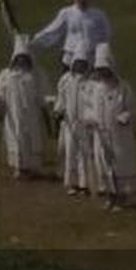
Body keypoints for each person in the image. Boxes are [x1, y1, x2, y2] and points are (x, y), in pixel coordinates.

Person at [0, 35, 52, 179]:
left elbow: (42, 94)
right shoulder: (6, 75)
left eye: (24, 58)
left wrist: (49, 101)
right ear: (15, 59)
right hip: (14, 113)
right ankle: (19, 168)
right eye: (19, 58)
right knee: (16, 138)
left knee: (32, 139)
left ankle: (33, 168)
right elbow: (1, 93)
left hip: (31, 114)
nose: (21, 61)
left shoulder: (36, 75)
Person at [83, 43, 136, 211]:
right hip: (101, 134)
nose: (102, 72)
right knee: (104, 165)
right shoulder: (95, 89)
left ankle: (121, 197)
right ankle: (110, 196)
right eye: (99, 69)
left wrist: (124, 117)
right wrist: (91, 119)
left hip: (119, 134)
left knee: (120, 165)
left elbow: (131, 109)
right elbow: (88, 108)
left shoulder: (123, 88)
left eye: (104, 69)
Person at [30, 0, 112, 68]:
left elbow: (105, 35)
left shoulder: (99, 15)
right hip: (70, 55)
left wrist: (100, 53)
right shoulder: (66, 12)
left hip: (90, 56)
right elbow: (53, 29)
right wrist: (35, 39)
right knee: (68, 76)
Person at [55, 43, 93, 195]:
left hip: (84, 123)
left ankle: (85, 183)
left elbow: (92, 103)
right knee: (70, 152)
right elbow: (61, 98)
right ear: (73, 63)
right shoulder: (65, 80)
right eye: (78, 63)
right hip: (69, 122)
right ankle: (71, 183)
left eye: (83, 63)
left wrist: (90, 118)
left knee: (84, 153)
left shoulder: (90, 82)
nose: (80, 66)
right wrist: (59, 110)